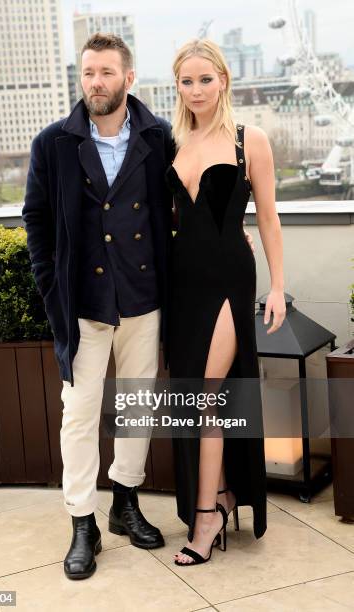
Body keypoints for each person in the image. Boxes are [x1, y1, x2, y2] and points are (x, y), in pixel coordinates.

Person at [22, 33, 256, 580]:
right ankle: (83, 522)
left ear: (128, 78)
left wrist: (231, 239)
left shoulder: (159, 137)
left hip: (146, 299)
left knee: (136, 408)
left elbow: (195, 198)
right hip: (82, 306)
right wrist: (52, 291)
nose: (95, 82)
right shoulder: (53, 142)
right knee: (79, 416)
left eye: (106, 72)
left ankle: (125, 503)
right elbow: (36, 222)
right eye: (87, 73)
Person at [164, 39, 286, 566]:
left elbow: (268, 217)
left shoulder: (248, 139)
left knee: (206, 397)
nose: (196, 91)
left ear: (224, 80)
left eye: (204, 80)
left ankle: (206, 516)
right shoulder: (170, 140)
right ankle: (222, 494)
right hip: (182, 284)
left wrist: (278, 286)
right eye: (186, 82)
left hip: (228, 283)